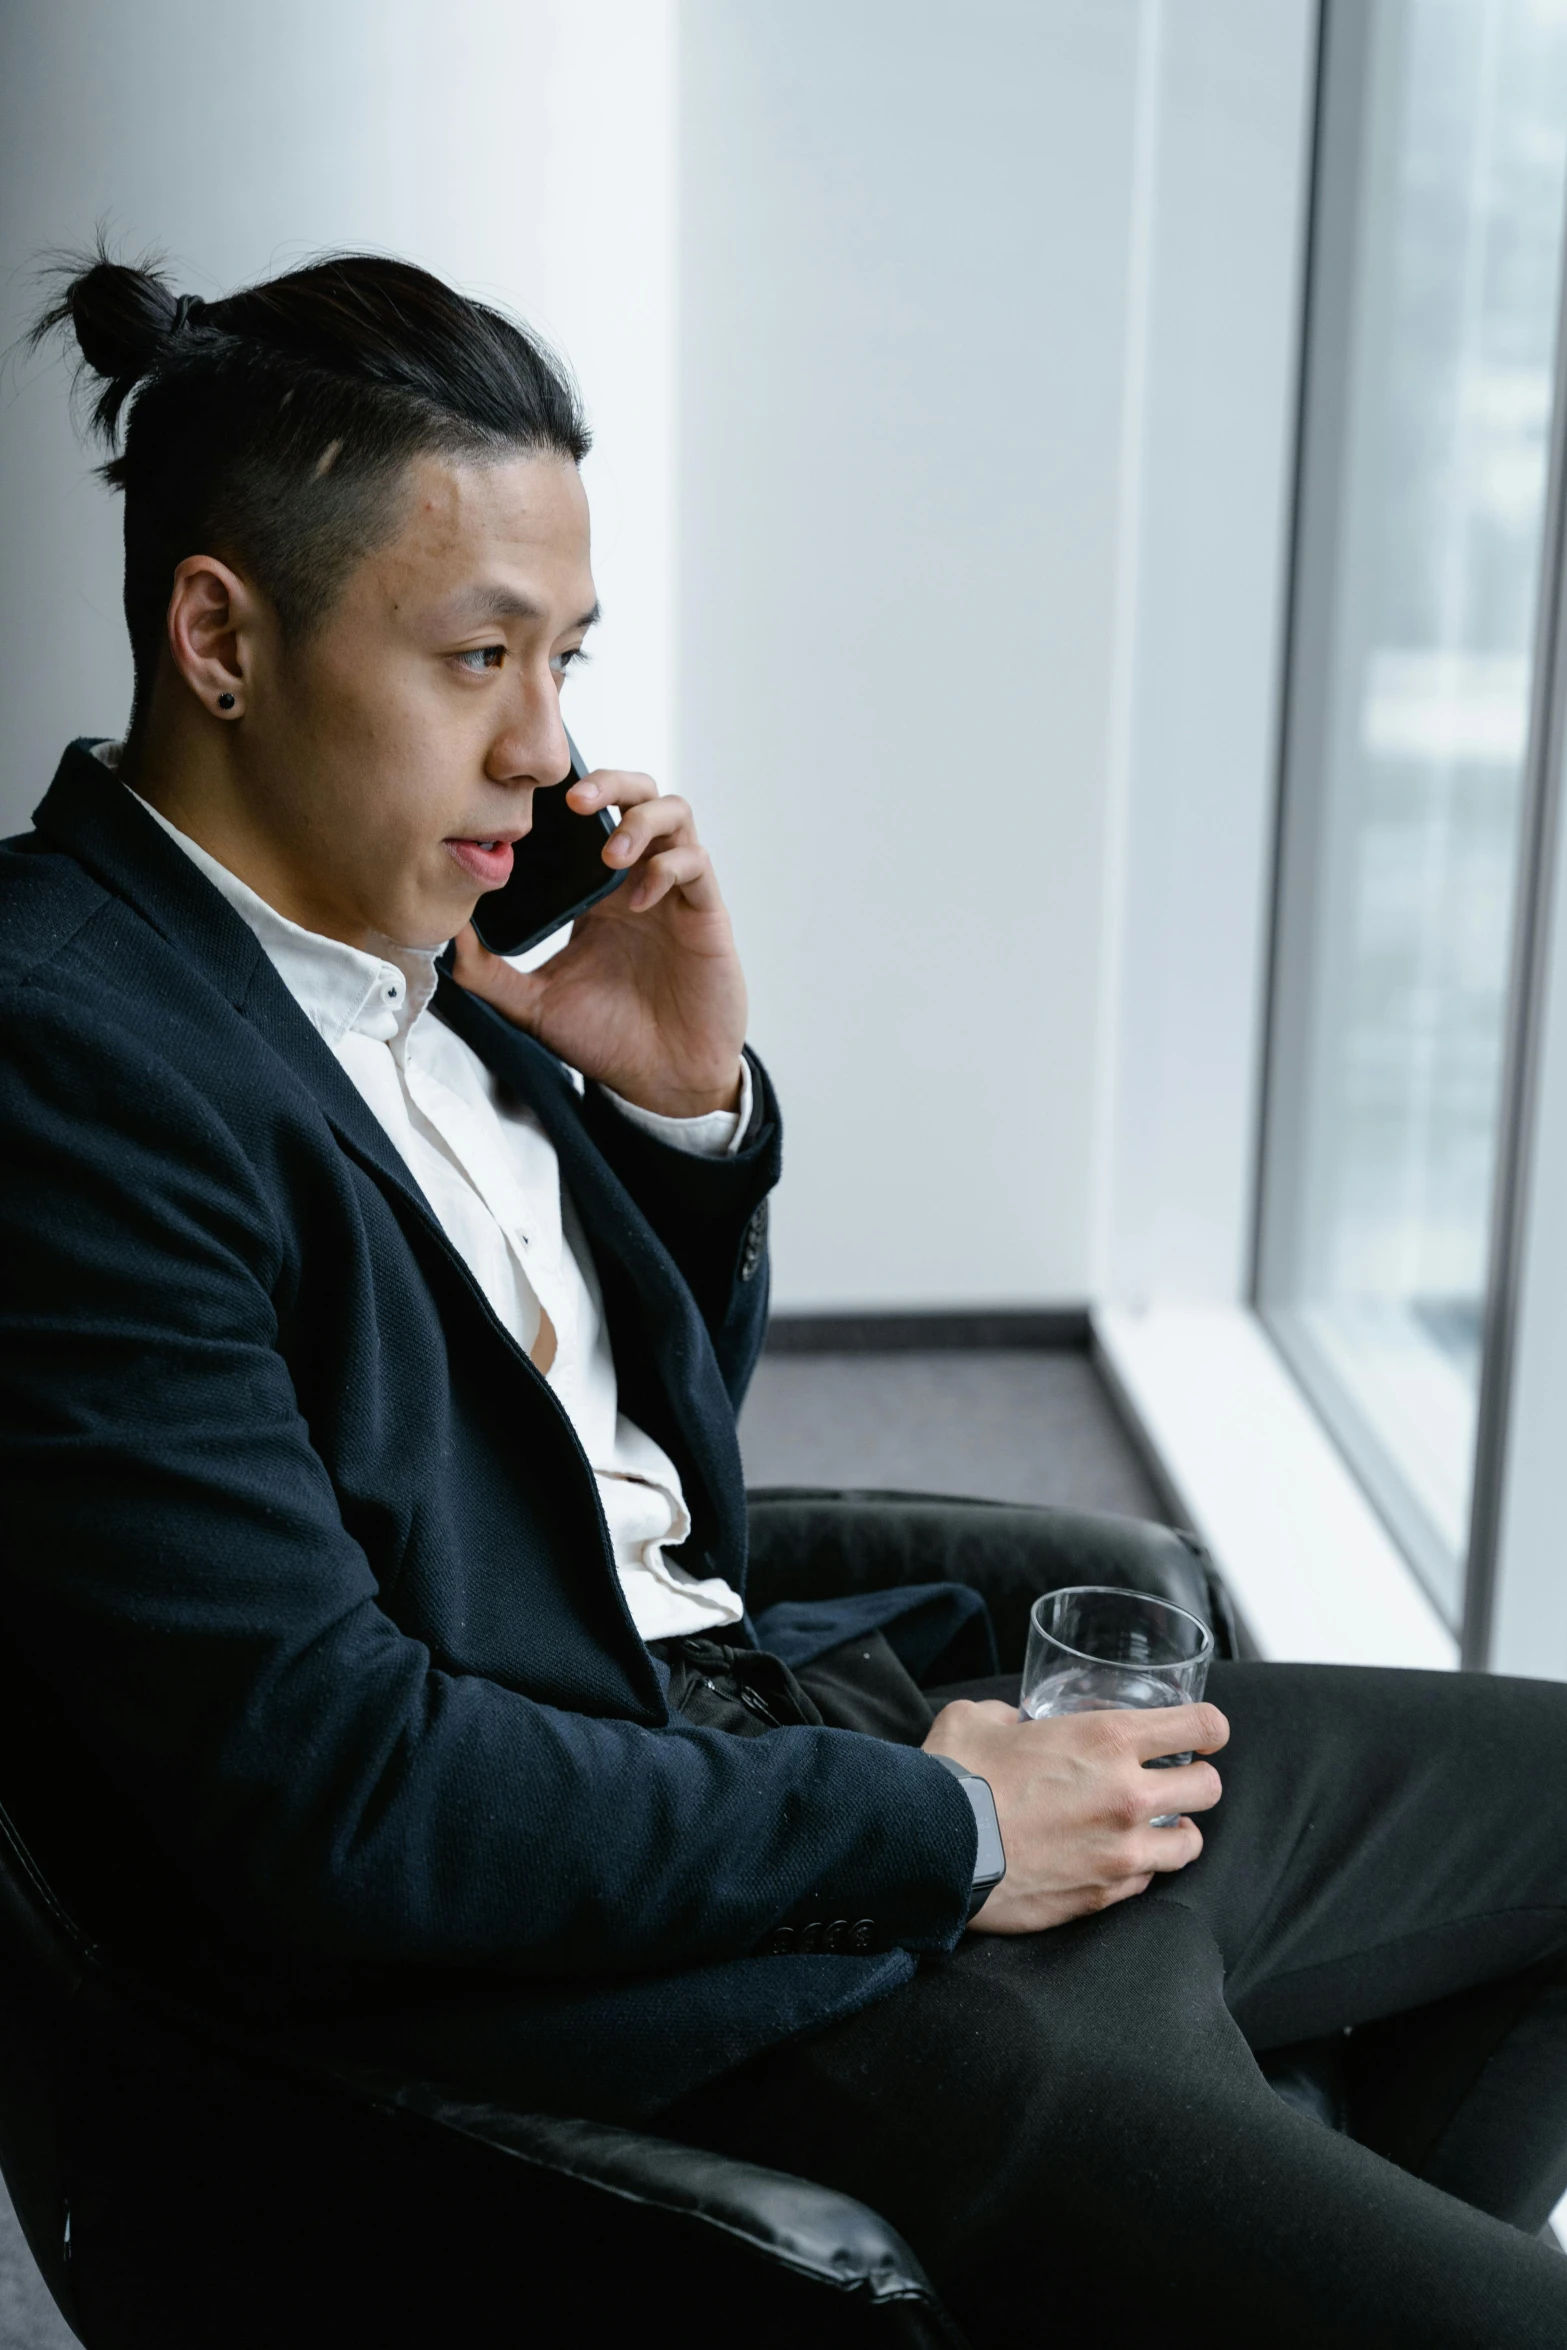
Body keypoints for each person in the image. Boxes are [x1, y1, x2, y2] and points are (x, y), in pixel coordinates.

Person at [4, 247, 1567, 2350]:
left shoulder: (409, 944)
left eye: (567, 657)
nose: (546, 745)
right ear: (219, 634)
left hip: (820, 1726)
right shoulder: (70, 1060)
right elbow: (334, 1786)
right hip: (687, 1948)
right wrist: (939, 1823)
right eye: (478, 655)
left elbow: (607, 1477)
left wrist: (674, 1107)